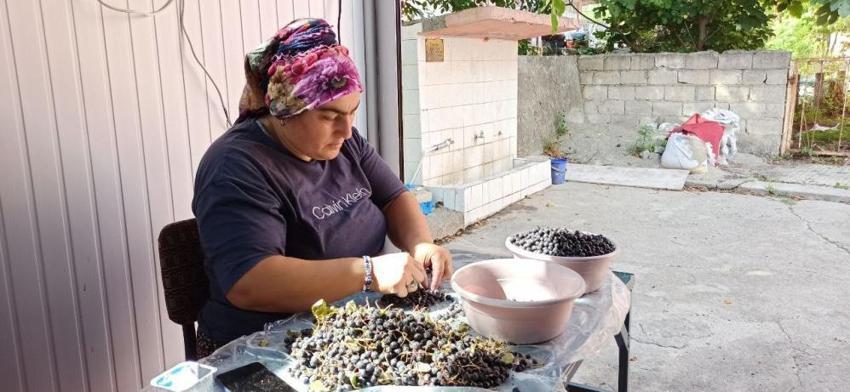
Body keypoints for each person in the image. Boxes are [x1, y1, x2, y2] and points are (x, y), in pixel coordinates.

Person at [192, 18, 453, 356]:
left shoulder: (345, 144)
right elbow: (250, 282)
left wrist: (421, 245)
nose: (346, 131)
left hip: (344, 324)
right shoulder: (235, 166)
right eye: (330, 116)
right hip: (263, 347)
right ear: (285, 111)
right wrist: (368, 273)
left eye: (352, 112)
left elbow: (393, 196)